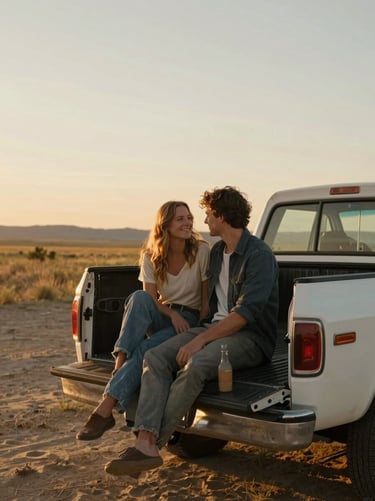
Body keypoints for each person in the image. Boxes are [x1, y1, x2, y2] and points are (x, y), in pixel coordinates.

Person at [104, 186, 279, 476]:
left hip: (249, 337)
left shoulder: (258, 254)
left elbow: (245, 314)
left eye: (209, 214)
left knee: (195, 365)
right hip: (212, 327)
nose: (205, 221)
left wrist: (200, 340)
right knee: (155, 357)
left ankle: (151, 444)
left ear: (222, 216)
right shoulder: (217, 253)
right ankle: (144, 441)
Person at [76, 201, 210, 441]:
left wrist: (200, 330)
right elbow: (151, 299)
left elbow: (205, 296)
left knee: (146, 349)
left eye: (189, 218)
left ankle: (105, 408)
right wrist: (171, 314)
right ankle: (120, 362)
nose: (188, 222)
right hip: (166, 314)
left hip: (190, 319)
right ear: (165, 224)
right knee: (138, 297)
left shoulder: (201, 251)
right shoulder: (151, 255)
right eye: (180, 219)